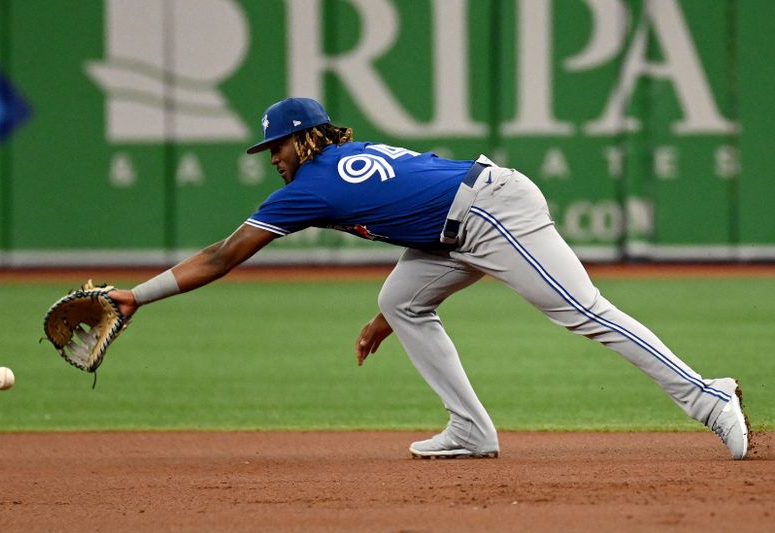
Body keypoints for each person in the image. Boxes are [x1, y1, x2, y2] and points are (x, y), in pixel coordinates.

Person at [109, 97, 750, 460]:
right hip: (461, 221)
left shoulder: (310, 185)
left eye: (276, 147)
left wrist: (137, 296)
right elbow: (417, 209)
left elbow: (222, 256)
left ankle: (709, 398)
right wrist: (382, 322)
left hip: (491, 215)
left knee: (583, 311)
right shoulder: (344, 158)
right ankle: (470, 429)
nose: (271, 159)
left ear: (305, 140)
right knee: (399, 300)